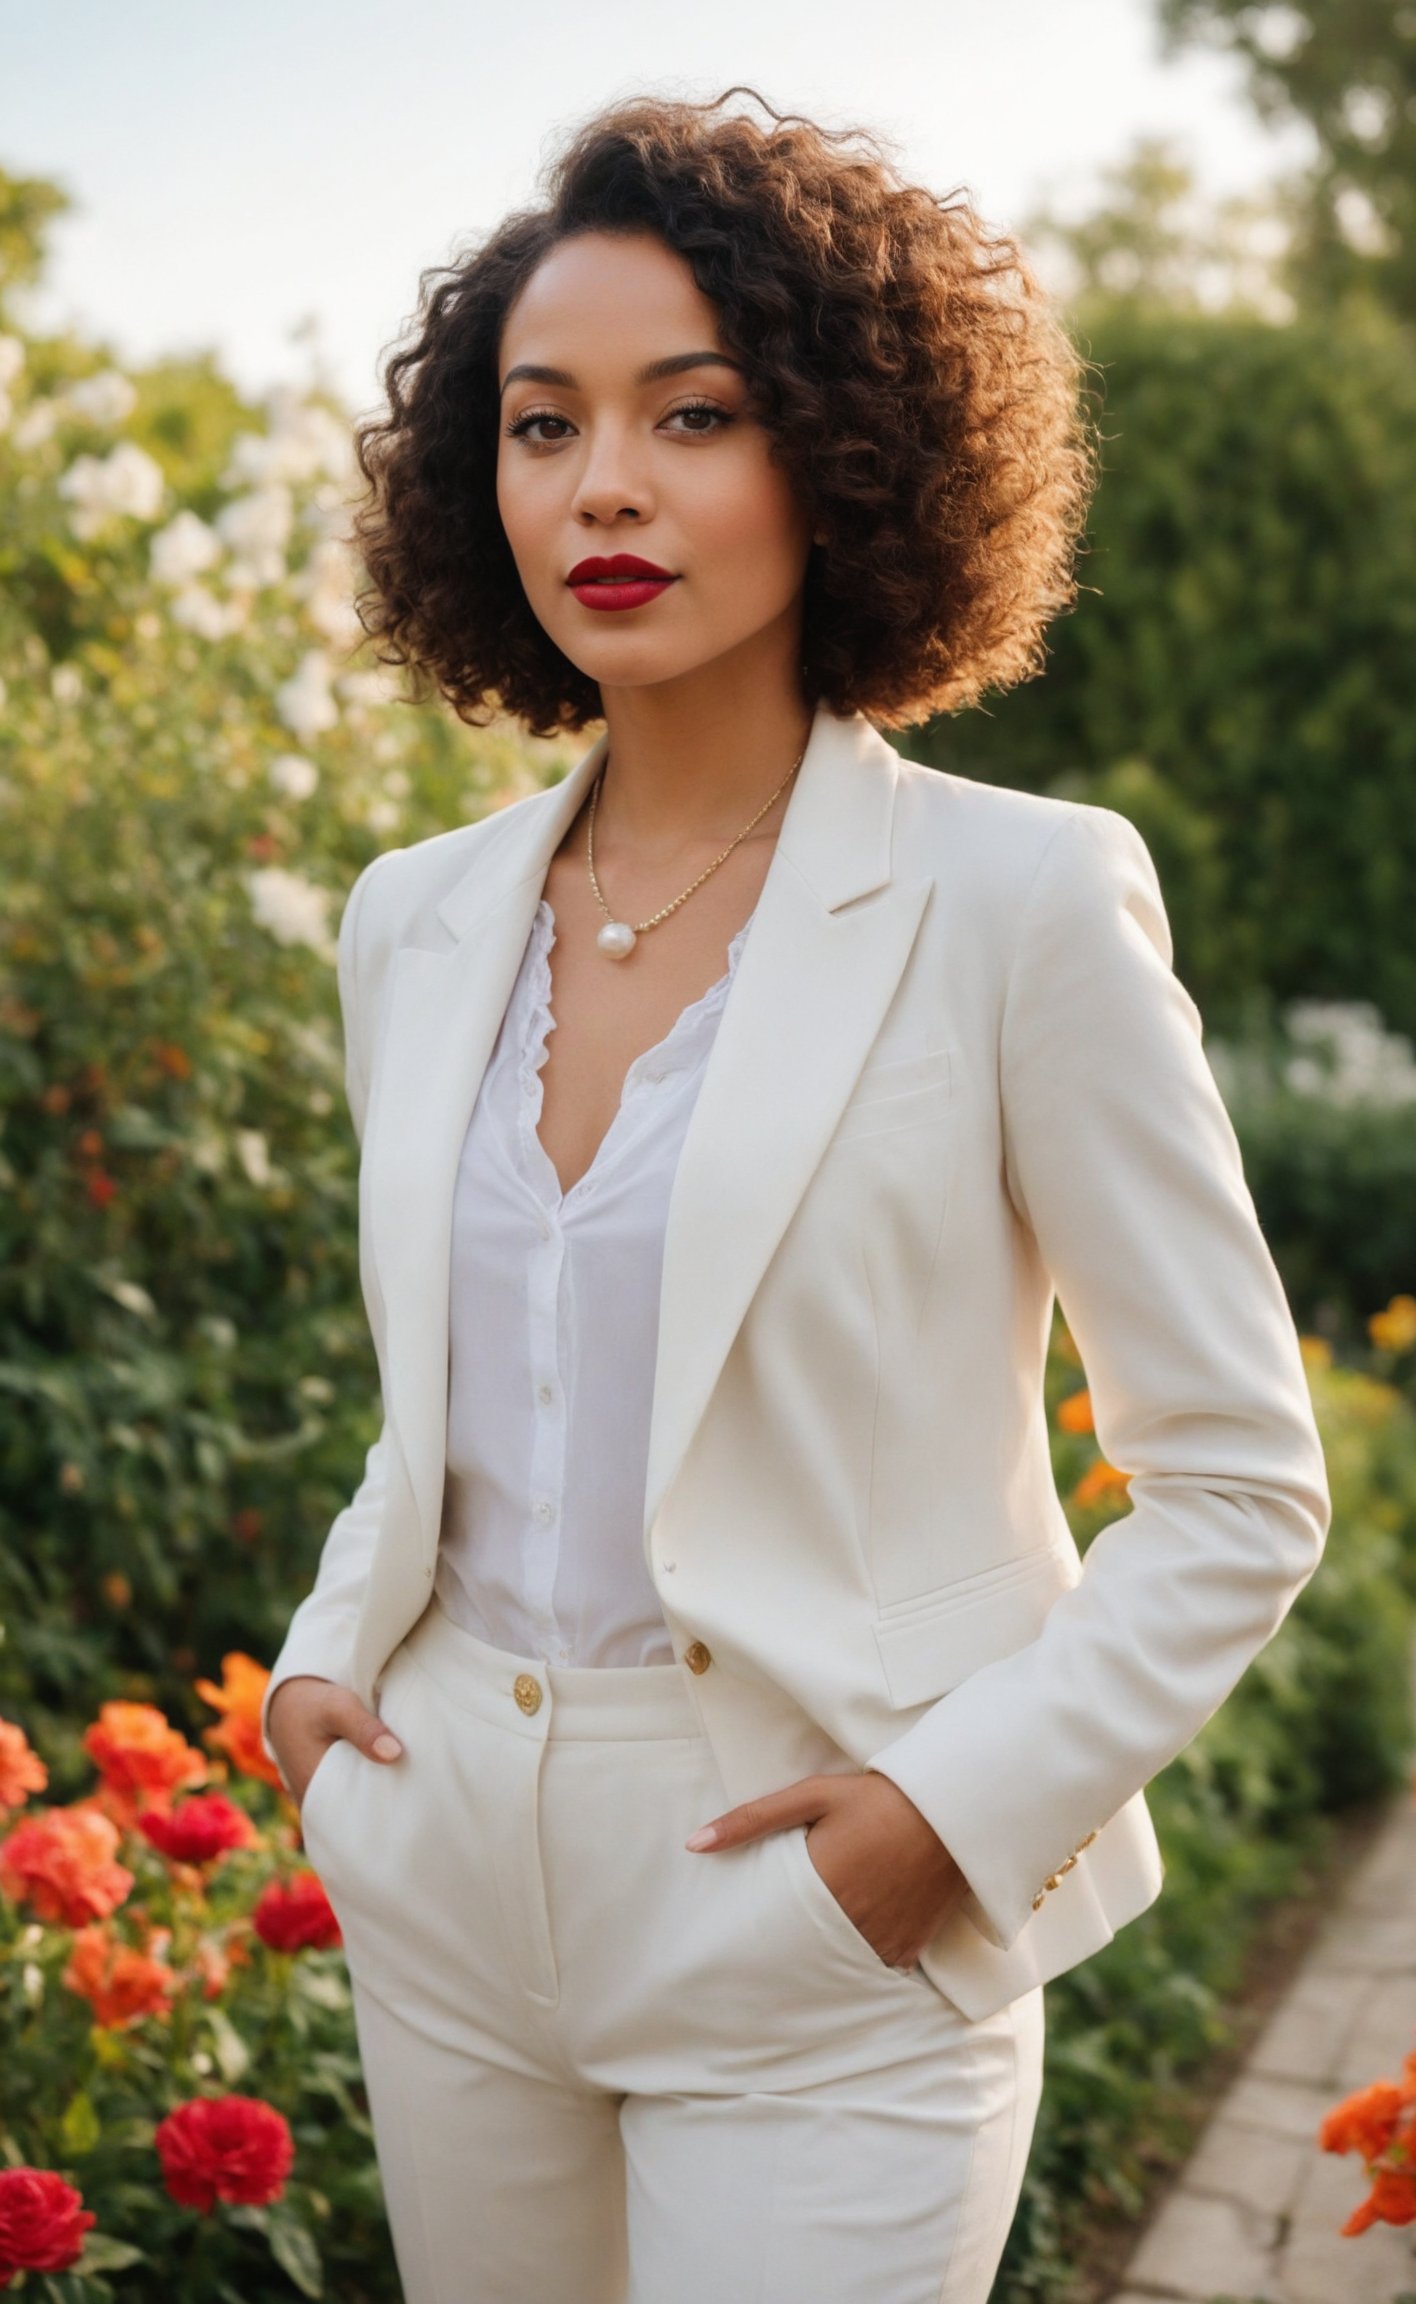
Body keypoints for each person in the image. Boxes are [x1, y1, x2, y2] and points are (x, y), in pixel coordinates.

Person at [258, 87, 1331, 2304]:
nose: (606, 485)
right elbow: (465, 1396)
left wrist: (941, 1823)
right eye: (543, 426)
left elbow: (1238, 1482)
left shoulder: (1022, 904)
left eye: (695, 414)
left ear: (842, 457)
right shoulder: (415, 921)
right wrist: (323, 1674)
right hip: (448, 1884)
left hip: (816, 1908)